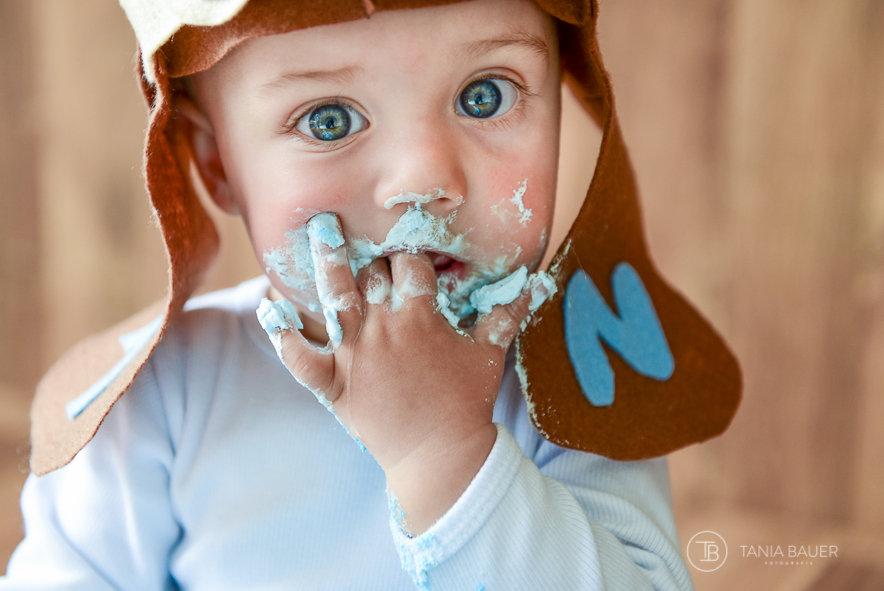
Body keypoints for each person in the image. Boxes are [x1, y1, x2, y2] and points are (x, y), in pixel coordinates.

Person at [1, 0, 706, 589]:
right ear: (218, 165)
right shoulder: (157, 402)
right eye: (328, 119)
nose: (423, 178)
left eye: (483, 95)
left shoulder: (577, 383)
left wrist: (447, 454)